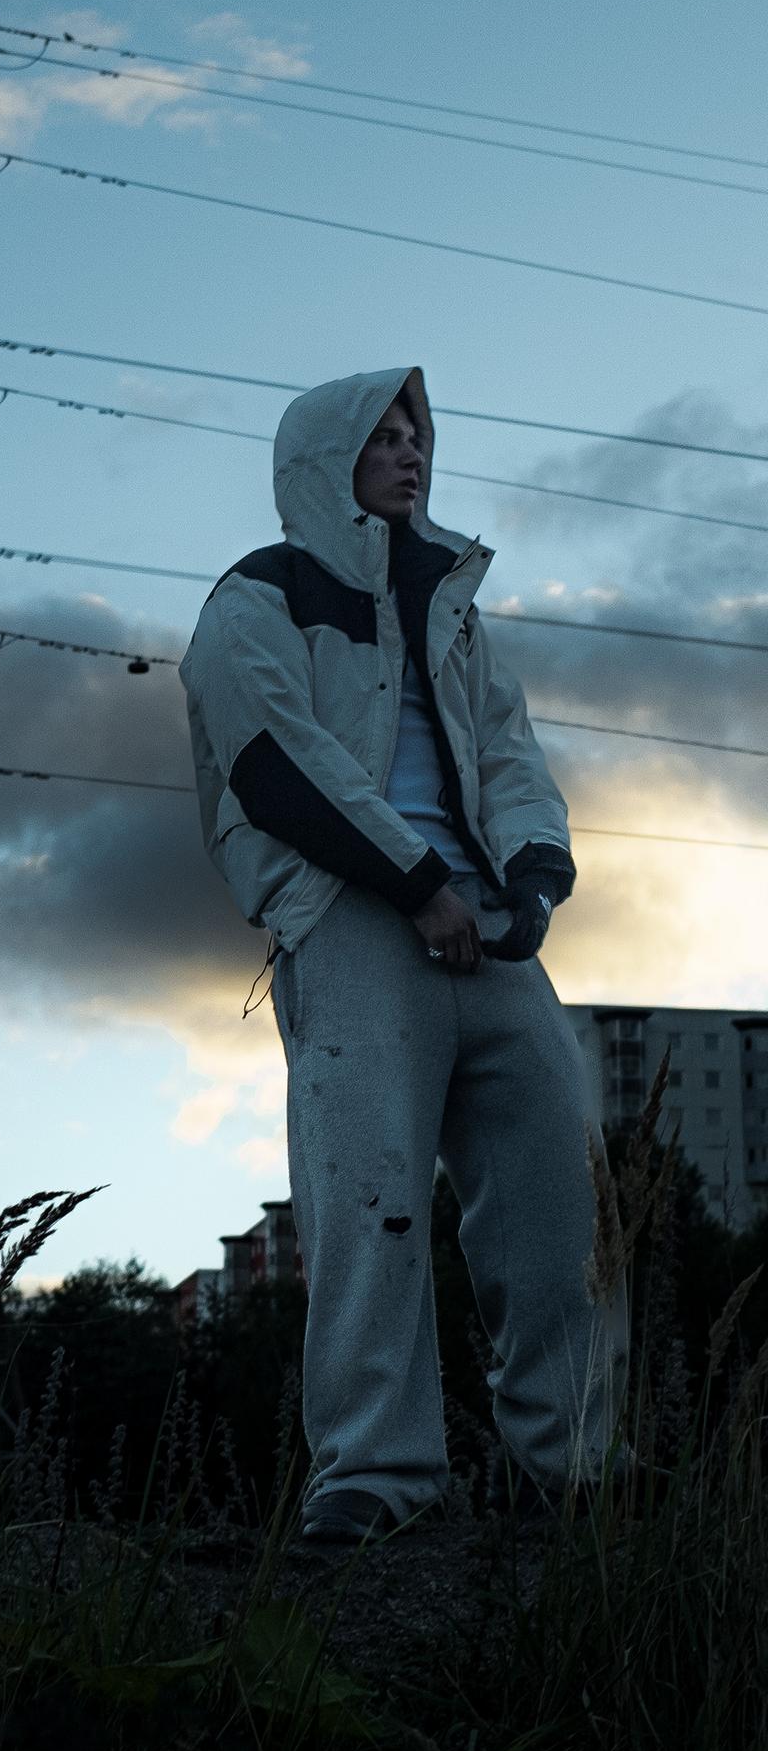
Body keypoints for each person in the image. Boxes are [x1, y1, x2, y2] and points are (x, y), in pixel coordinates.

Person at [178, 366, 628, 1546]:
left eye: (416, 435)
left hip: (485, 926)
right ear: (324, 459)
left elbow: (512, 751)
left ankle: (570, 1470)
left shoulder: (450, 610)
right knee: (367, 1197)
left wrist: (531, 876)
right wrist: (416, 882)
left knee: (555, 1203)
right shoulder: (256, 598)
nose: (408, 453)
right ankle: (376, 1475)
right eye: (381, 437)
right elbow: (273, 761)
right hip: (351, 915)